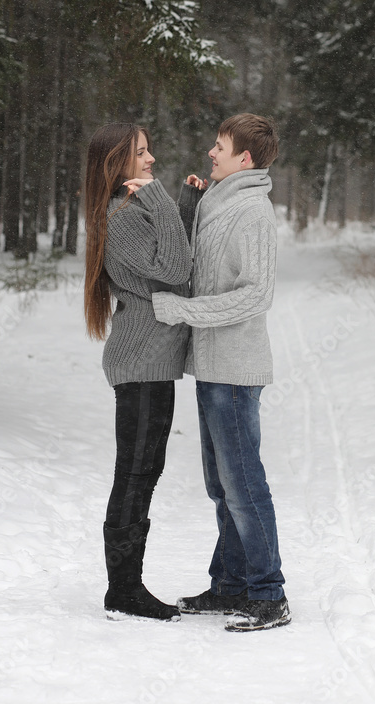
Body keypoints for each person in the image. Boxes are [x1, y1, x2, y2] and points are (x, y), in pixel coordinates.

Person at [152, 113, 290, 632]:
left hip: (235, 370)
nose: (211, 153)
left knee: (243, 483)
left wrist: (182, 311)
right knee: (221, 485)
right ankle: (230, 585)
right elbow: (202, 263)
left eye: (220, 147)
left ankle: (268, 593)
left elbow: (256, 294)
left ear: (244, 159)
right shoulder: (221, 199)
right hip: (212, 367)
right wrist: (190, 202)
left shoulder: (253, 210)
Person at [84, 122, 192, 622]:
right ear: (118, 165)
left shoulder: (129, 212)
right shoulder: (123, 214)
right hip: (141, 361)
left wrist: (184, 207)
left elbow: (170, 256)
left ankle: (125, 587)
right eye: (142, 154)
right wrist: (166, 202)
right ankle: (123, 591)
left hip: (147, 359)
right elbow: (175, 271)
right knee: (136, 474)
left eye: (150, 150)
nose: (151, 160)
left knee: (143, 470)